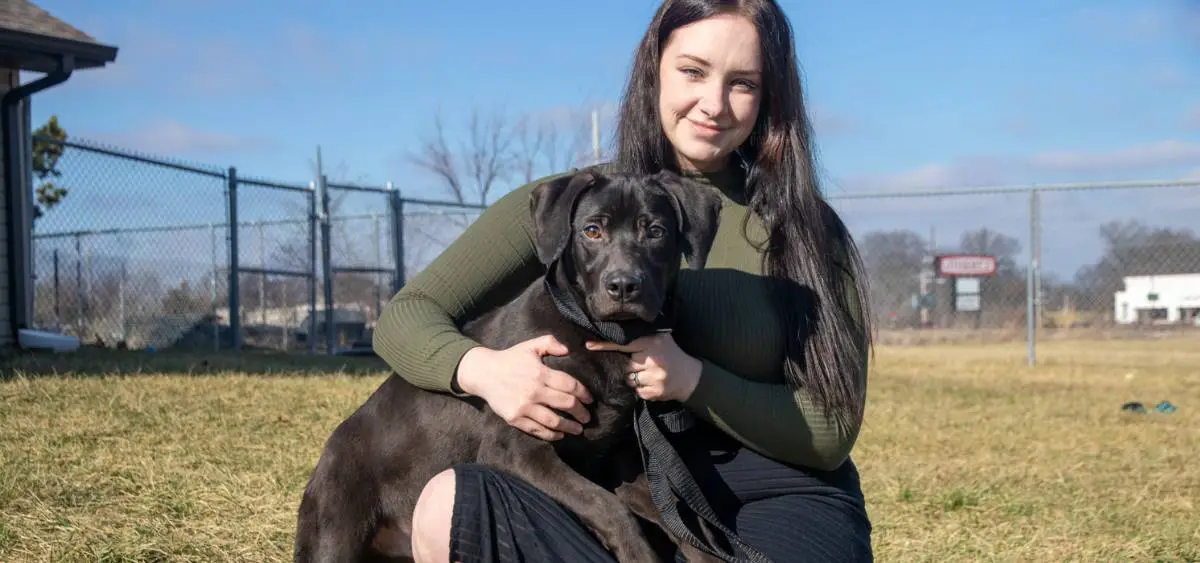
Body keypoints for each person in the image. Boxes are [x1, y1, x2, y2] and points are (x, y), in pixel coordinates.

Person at [372, 0, 875, 561]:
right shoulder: (582, 201)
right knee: (452, 505)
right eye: (692, 71)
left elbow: (831, 431)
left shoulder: (806, 230)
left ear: (770, 95)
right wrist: (485, 372)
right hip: (634, 495)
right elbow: (408, 314)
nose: (713, 103)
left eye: (743, 83)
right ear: (653, 71)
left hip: (781, 499)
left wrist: (692, 379)